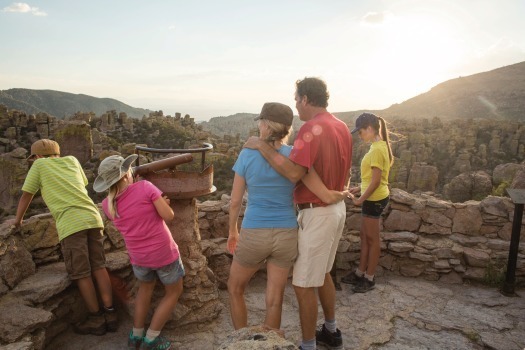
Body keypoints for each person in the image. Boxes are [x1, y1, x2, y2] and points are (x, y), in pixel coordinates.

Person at [244, 78, 352, 350]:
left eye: (296, 99)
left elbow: (294, 172)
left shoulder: (311, 129)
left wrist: (262, 146)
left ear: (305, 99)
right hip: (336, 209)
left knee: (303, 285)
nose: (296, 105)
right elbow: (342, 171)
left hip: (317, 213)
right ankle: (331, 331)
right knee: (324, 273)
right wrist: (331, 194)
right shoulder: (340, 126)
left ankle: (308, 345)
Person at [12, 139, 117, 336]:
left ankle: (96, 319)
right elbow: (83, 184)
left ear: (37, 156)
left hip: (71, 223)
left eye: (32, 159)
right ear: (57, 153)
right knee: (99, 266)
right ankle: (110, 314)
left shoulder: (39, 165)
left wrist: (17, 221)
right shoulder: (72, 161)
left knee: (81, 273)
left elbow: (27, 195)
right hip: (93, 218)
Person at [94, 154, 184, 350]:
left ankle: (136, 336)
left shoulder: (106, 205)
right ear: (126, 175)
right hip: (164, 253)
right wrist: (164, 204)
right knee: (174, 292)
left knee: (144, 290)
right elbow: (168, 216)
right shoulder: (145, 187)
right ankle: (151, 339)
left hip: (138, 258)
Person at [341, 113, 393, 293]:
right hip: (372, 197)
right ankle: (359, 272)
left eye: (361, 131)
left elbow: (377, 181)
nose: (360, 135)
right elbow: (371, 179)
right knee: (365, 237)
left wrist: (360, 200)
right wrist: (359, 189)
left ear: (370, 129)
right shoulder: (377, 146)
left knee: (372, 239)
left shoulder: (378, 149)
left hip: (375, 199)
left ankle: (369, 278)